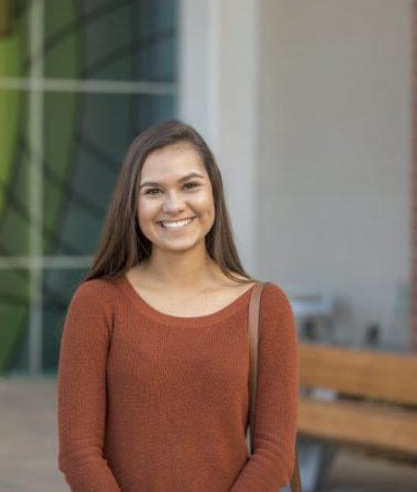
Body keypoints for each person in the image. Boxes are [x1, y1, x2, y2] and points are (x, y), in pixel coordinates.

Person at [57, 121, 298, 492]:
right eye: (154, 191)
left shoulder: (265, 307)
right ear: (132, 204)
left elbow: (275, 452)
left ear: (213, 191)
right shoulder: (98, 304)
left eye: (189, 185)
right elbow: (79, 452)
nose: (174, 205)